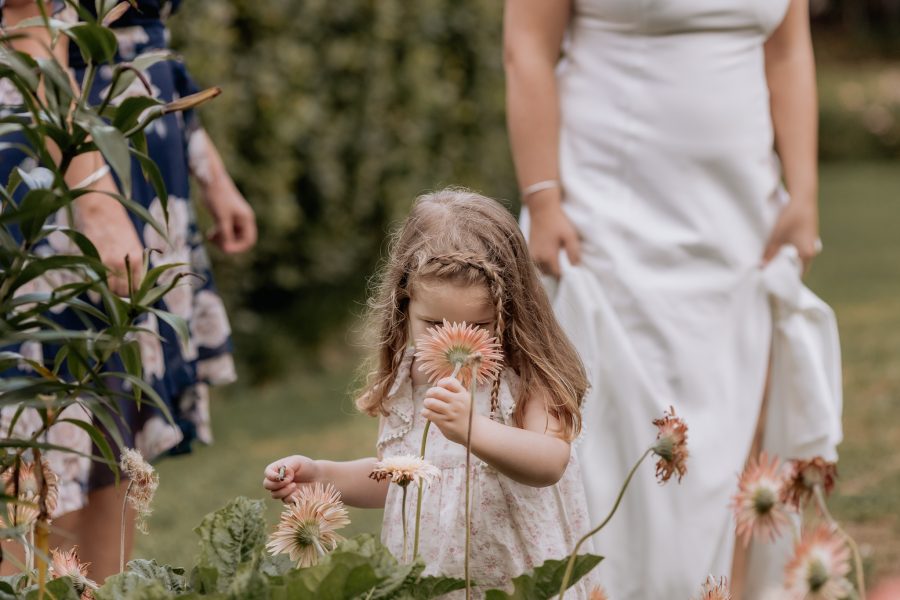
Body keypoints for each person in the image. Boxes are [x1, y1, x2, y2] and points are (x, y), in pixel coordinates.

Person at [504, 0, 842, 598]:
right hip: (607, 225)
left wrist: (805, 191)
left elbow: (788, 51)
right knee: (623, 447)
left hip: (740, 229)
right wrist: (544, 197)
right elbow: (526, 47)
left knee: (727, 449)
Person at [0, 0, 256, 581]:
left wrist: (206, 167)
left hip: (123, 151)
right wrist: (97, 201)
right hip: (53, 156)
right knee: (33, 428)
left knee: (108, 422)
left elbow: (142, 36)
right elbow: (27, 23)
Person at [263, 189, 598, 598]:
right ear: (403, 304)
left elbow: (549, 462)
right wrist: (323, 476)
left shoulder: (527, 373)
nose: (454, 340)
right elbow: (402, 479)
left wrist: (474, 429)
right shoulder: (411, 375)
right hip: (436, 576)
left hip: (516, 577)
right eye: (433, 323)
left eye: (480, 326)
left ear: (513, 309)